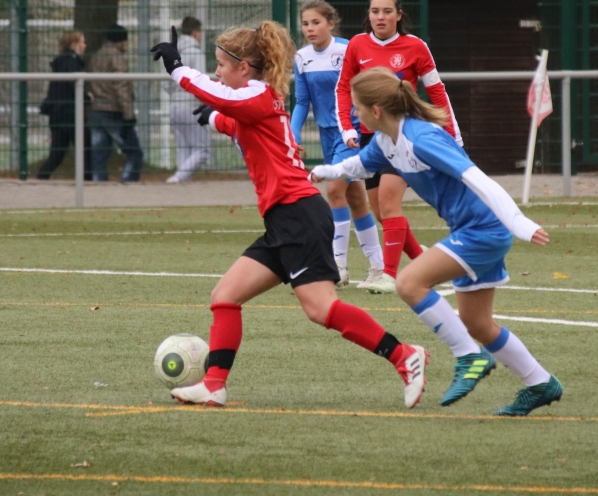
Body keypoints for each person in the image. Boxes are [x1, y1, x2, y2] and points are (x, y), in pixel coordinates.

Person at [151, 23, 428, 409]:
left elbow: (220, 98)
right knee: (225, 296)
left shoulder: (257, 95)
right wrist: (210, 118)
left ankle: (404, 355)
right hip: (285, 220)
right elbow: (232, 120)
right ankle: (214, 385)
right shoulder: (256, 101)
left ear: (243, 68)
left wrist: (178, 68)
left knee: (321, 309)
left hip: (299, 217)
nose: (216, 72)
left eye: (221, 65)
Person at [312, 67, 563, 416]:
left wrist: (518, 222)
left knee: (409, 283)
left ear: (377, 110)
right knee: (477, 323)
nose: (354, 114)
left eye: (357, 107)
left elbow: (479, 180)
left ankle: (469, 356)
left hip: (484, 229)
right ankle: (540, 383)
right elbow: (360, 166)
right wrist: (327, 171)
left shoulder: (422, 138)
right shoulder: (387, 141)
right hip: (469, 229)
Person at [335, 0, 462, 294]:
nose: (380, 17)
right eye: (375, 11)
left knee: (389, 202)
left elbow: (437, 92)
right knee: (381, 212)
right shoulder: (357, 45)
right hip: (371, 140)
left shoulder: (415, 46)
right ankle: (424, 261)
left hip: (403, 136)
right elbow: (343, 89)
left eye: (387, 11)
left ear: (399, 15)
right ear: (368, 15)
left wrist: (452, 135)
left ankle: (388, 275)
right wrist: (348, 129)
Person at [290, 0, 383, 288]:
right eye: (305, 24)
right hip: (327, 135)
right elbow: (302, 102)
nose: (310, 28)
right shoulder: (302, 57)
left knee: (333, 189)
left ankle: (337, 265)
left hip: (351, 133)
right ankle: (378, 266)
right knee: (355, 199)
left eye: (316, 22)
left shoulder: (348, 49)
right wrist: (292, 136)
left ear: (331, 24)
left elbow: (364, 87)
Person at [87, 25, 143, 183]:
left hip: (97, 109)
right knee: (134, 152)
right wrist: (129, 115)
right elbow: (121, 86)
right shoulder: (117, 57)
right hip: (113, 111)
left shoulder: (96, 56)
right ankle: (128, 180)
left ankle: (98, 182)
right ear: (120, 41)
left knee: (99, 154)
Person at [37, 31, 91, 180]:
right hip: (69, 113)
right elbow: (73, 86)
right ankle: (87, 179)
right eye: (82, 42)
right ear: (74, 44)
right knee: (84, 149)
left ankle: (42, 177)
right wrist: (87, 98)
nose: (85, 45)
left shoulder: (62, 62)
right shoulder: (71, 62)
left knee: (58, 152)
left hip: (58, 113)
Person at [165, 16, 210, 183]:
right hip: (191, 105)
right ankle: (179, 177)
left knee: (183, 148)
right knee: (202, 149)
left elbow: (166, 83)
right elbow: (200, 82)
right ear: (195, 33)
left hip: (174, 105)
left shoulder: (173, 53)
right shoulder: (195, 52)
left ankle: (181, 180)